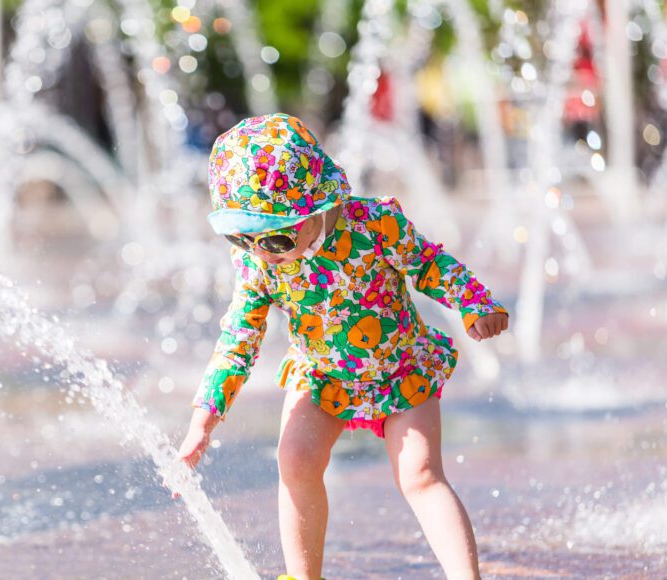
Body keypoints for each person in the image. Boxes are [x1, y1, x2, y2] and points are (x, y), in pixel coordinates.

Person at [173, 113, 508, 580]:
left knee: (419, 474)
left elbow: (429, 264)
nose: (260, 250)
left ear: (315, 207)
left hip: (399, 369)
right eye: (239, 235)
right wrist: (202, 420)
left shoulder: (374, 224)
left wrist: (473, 303)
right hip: (322, 375)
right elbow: (238, 337)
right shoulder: (259, 261)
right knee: (294, 459)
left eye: (275, 235)